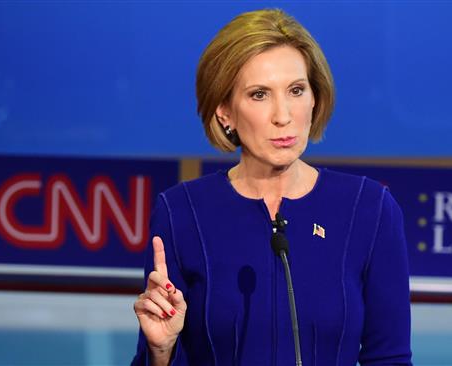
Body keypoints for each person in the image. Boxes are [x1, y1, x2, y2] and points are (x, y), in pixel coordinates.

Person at [132, 8, 412, 366]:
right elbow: (155, 351)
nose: (283, 115)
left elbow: (390, 358)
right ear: (224, 112)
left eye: (296, 90)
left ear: (315, 98)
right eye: (259, 95)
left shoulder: (370, 209)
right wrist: (160, 351)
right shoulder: (181, 212)